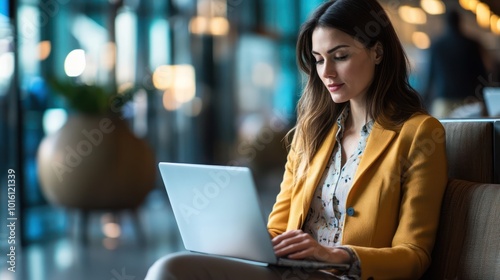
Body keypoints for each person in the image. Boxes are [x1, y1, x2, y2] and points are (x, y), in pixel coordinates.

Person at [145, 0, 448, 279]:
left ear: (378, 52)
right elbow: (278, 228)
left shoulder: (419, 133)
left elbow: (414, 255)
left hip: (345, 275)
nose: (326, 72)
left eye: (340, 56)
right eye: (318, 60)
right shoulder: (312, 132)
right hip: (290, 274)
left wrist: (333, 255)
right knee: (170, 268)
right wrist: (246, 242)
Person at [422, 8, 487, 118]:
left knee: (442, 132)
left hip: (444, 101)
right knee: (469, 134)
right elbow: (481, 74)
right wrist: (484, 99)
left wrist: (423, 101)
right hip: (467, 101)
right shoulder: (471, 45)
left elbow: (430, 75)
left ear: (445, 23)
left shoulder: (437, 46)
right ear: (459, 22)